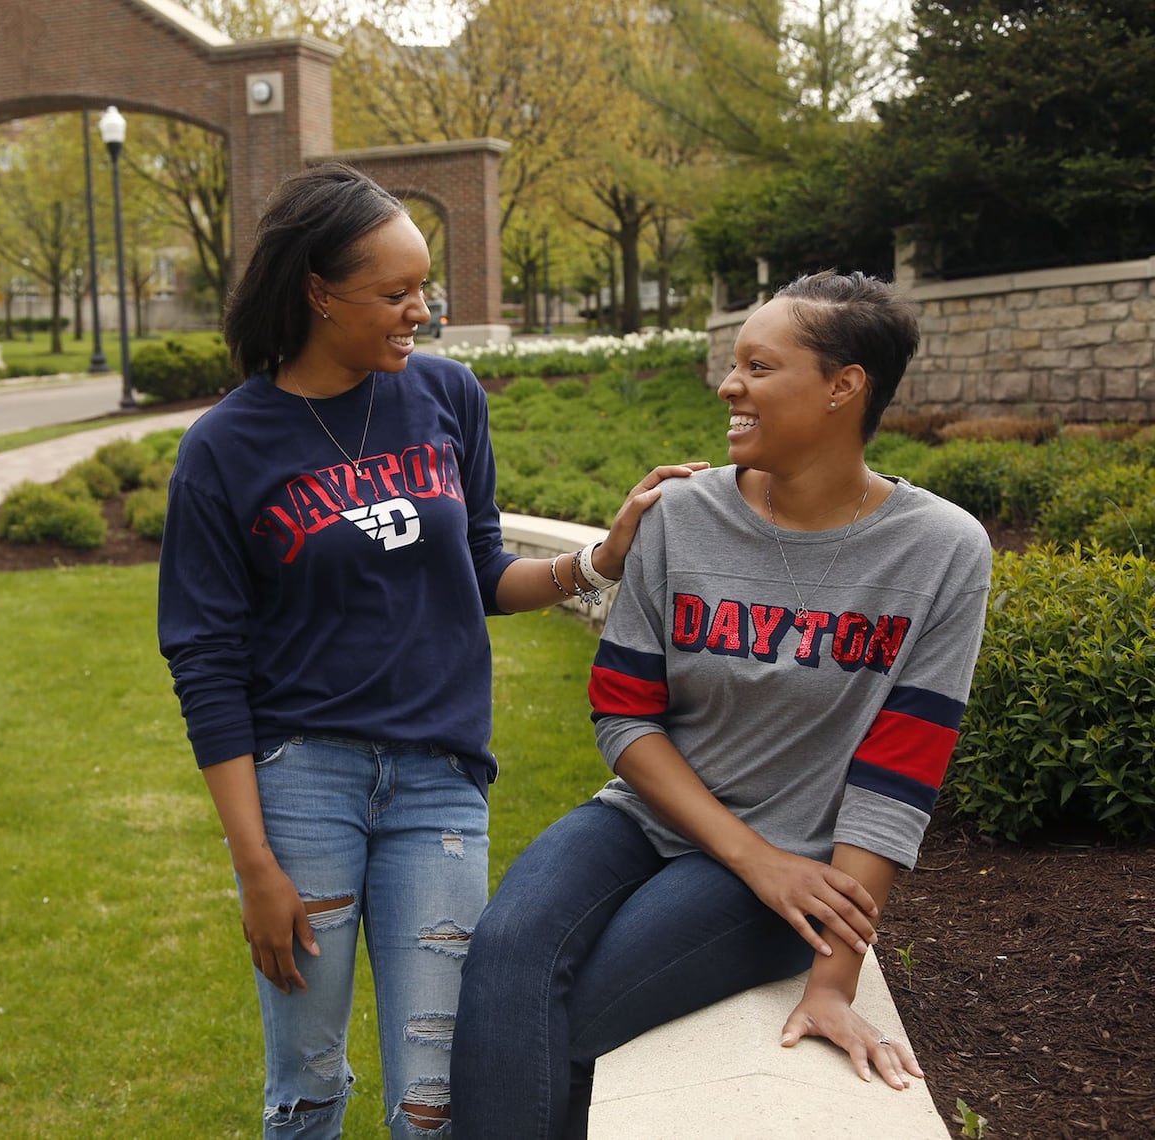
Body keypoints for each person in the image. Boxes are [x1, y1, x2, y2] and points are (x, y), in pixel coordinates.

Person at [156, 162, 701, 1138]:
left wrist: (598, 558)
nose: (424, 311)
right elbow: (205, 663)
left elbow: (483, 575)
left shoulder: (445, 398)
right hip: (302, 781)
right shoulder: (225, 447)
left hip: (440, 785)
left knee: (433, 1099)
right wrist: (254, 867)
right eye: (396, 293)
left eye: (426, 288)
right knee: (308, 1084)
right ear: (319, 293)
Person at [452, 270, 993, 1139]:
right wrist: (748, 854)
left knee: (580, 1012)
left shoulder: (939, 551)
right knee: (505, 959)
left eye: (758, 366)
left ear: (842, 387)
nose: (728, 384)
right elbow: (625, 712)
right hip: (646, 814)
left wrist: (830, 984)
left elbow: (899, 774)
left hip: (797, 858)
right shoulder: (683, 512)